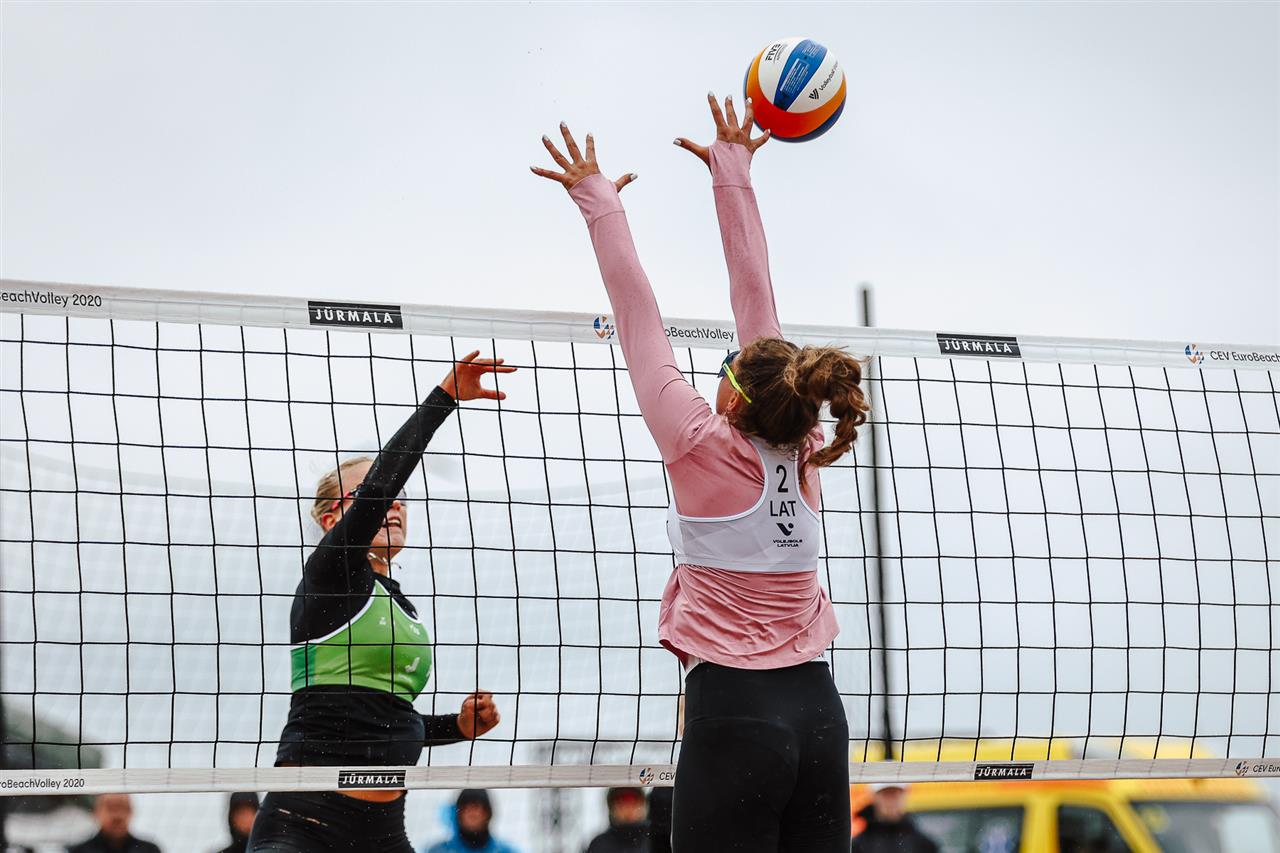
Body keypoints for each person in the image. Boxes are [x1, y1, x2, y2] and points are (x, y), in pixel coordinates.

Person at [534, 94, 868, 853]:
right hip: (820, 712)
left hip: (735, 711)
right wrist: (733, 171)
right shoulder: (807, 442)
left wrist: (600, 201)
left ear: (734, 394)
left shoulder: (696, 440)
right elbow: (759, 303)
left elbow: (637, 313)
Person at [247, 352, 514, 852]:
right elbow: (384, 482)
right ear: (332, 520)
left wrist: (457, 727)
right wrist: (445, 398)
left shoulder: (400, 607)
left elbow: (385, 721)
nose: (392, 504)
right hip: (306, 821)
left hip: (383, 830)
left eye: (400, 499)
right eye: (369, 497)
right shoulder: (330, 576)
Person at [422, 789, 519, 853]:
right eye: (466, 808)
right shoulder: (437, 851)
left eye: (476, 807)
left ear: (487, 813)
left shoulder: (507, 851)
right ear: (458, 814)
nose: (472, 813)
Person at [851, 784, 938, 853]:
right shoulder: (856, 846)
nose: (891, 801)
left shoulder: (925, 844)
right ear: (875, 797)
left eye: (895, 794)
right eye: (886, 794)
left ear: (904, 796)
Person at [66, 793, 161, 853]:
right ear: (96, 812)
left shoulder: (150, 850)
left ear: (131, 811)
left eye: (123, 807)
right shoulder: (79, 851)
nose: (117, 815)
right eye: (111, 807)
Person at [584, 787, 649, 853]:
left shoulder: (653, 841)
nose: (627, 808)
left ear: (642, 804)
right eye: (621, 802)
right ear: (612, 807)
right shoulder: (599, 846)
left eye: (633, 801)